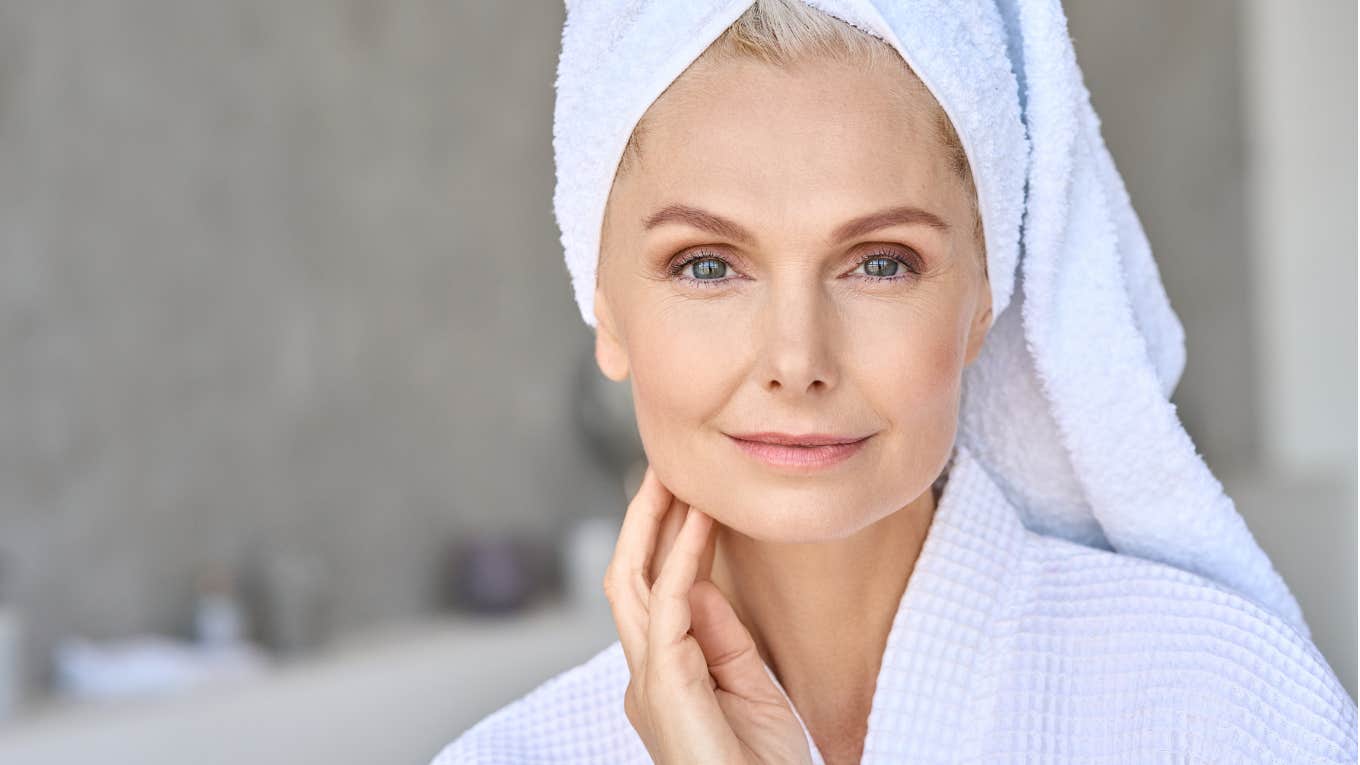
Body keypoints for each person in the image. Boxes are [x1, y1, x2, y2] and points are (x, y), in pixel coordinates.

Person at [432, 1, 1358, 762]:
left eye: (880, 264)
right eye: (707, 265)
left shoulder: (1217, 703)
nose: (798, 361)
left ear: (984, 298)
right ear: (605, 303)